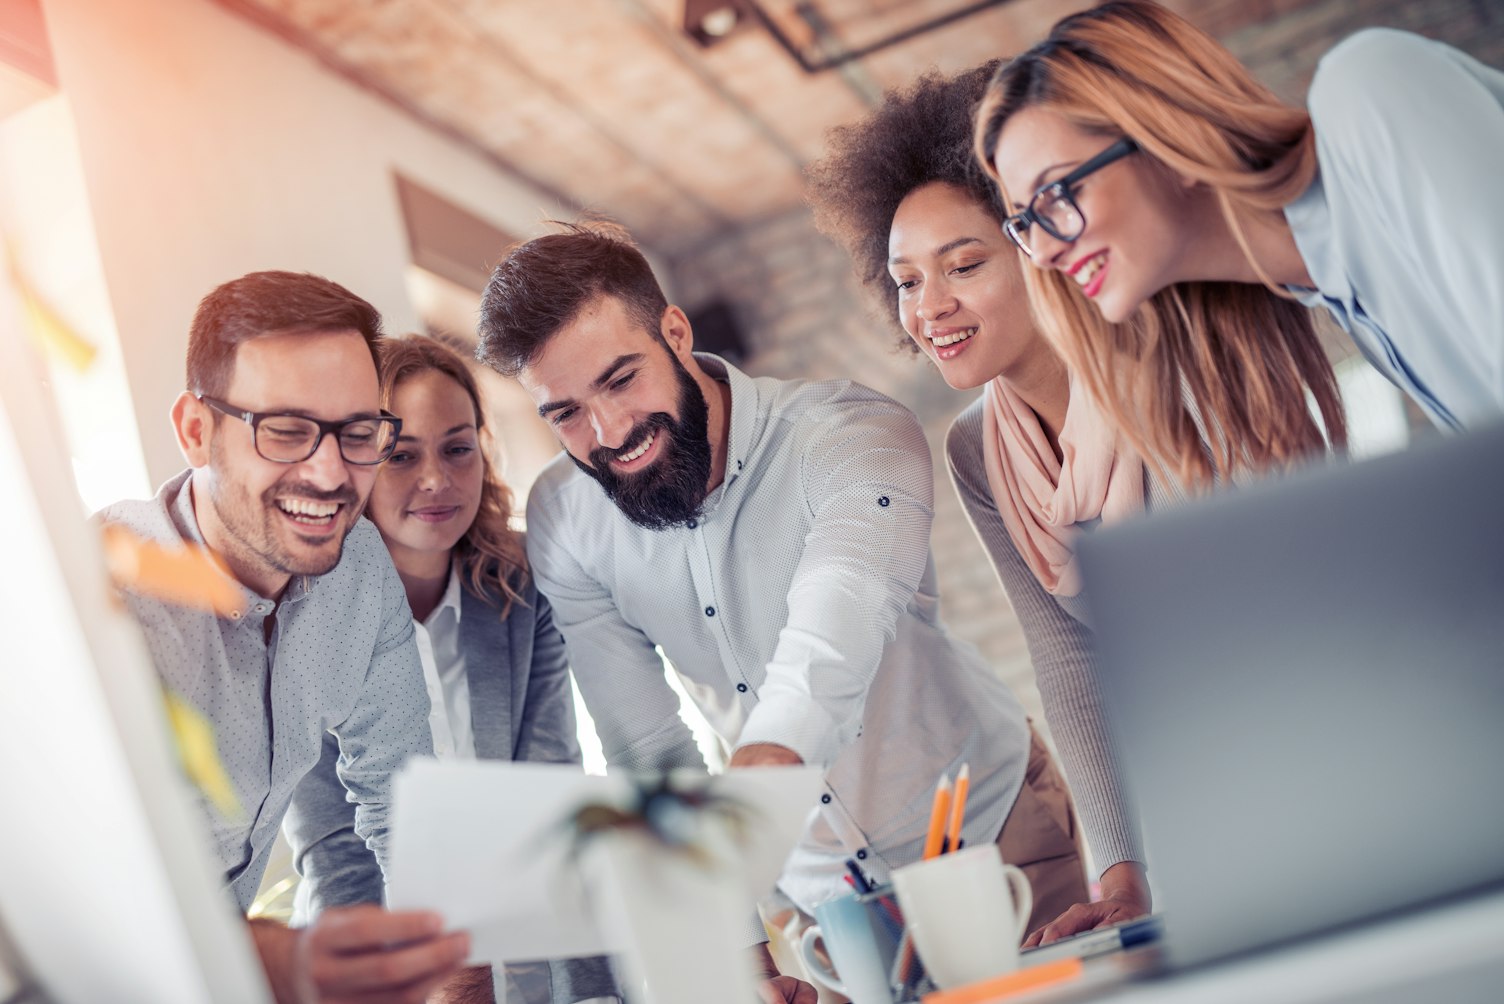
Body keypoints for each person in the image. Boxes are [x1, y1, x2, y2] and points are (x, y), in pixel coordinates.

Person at [475, 221, 1086, 995]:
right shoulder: (567, 519)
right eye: (563, 413)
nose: (608, 432)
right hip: (819, 903)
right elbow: (646, 746)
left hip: (990, 839)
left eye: (622, 379)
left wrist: (771, 760)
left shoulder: (852, 432)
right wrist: (739, 958)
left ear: (674, 330)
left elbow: (843, 605)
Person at [806, 64, 1153, 944]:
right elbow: (1069, 661)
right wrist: (1122, 873)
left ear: (1039, 246)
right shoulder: (974, 447)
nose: (932, 308)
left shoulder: (1158, 378)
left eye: (963, 265)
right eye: (908, 281)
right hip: (1172, 783)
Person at [98, 271, 469, 1003]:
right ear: (195, 431)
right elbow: (61, 882)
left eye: (358, 433)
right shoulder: (105, 598)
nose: (330, 474)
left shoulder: (359, 568)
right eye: (287, 431)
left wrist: (452, 973)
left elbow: (406, 804)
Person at [976, 0, 1504, 487]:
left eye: (1055, 195)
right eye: (1025, 222)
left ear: (1168, 138)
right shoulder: (1341, 296)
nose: (1042, 253)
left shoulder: (1372, 89)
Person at [283, 336, 620, 1004]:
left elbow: (548, 796)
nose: (436, 479)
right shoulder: (302, 621)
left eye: (457, 447)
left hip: (526, 934)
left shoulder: (524, 591)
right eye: (402, 455)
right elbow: (330, 843)